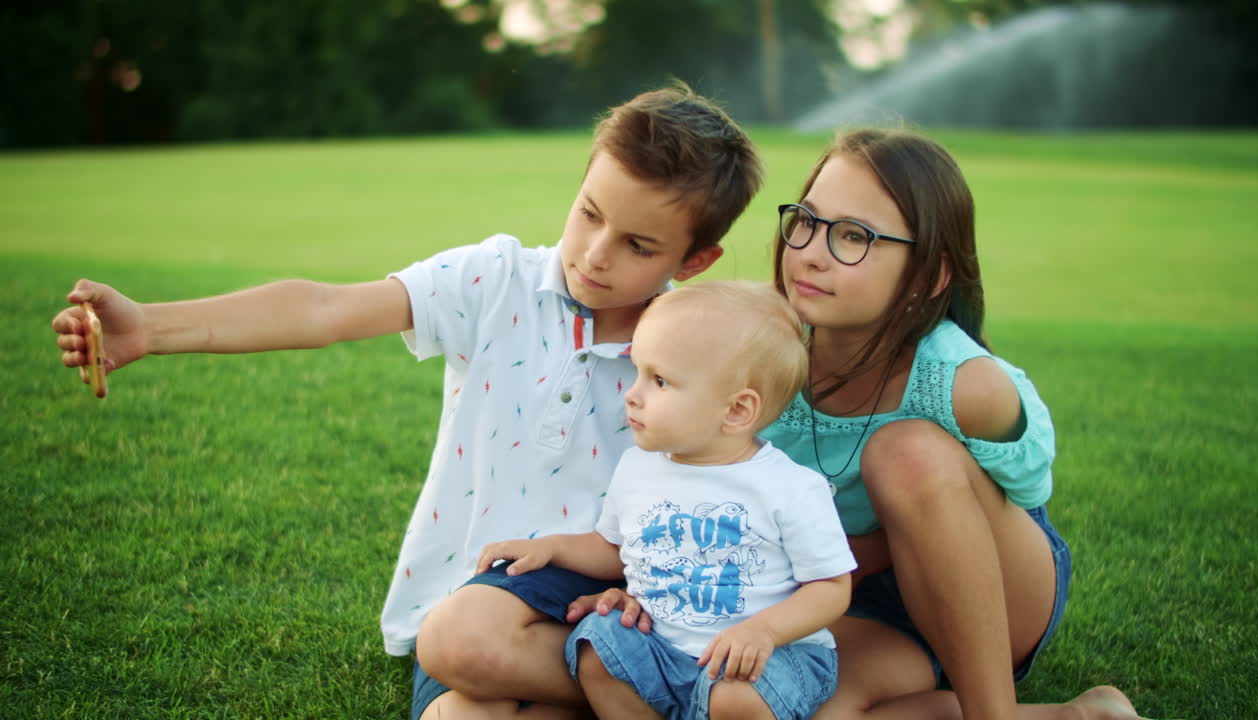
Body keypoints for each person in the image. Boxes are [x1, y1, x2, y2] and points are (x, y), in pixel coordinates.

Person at [50, 84, 763, 720]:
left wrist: (649, 594)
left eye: (638, 244)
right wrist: (150, 326)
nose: (596, 254)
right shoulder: (494, 282)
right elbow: (324, 309)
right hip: (470, 610)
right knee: (464, 687)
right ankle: (657, 694)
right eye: (589, 215)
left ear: (693, 262)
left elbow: (722, 496)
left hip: (608, 610)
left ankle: (646, 683)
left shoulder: (701, 352)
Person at [568, 128, 1150, 720]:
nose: (813, 253)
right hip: (838, 601)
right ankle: (1075, 716)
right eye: (808, 222)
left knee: (905, 455)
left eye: (854, 236)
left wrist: (877, 542)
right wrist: (653, 593)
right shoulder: (758, 351)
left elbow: (1015, 510)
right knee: (788, 707)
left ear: (929, 274)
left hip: (985, 597)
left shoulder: (965, 384)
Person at [475, 281, 856, 720]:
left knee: (734, 699)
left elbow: (831, 588)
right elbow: (615, 550)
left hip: (767, 659)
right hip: (660, 648)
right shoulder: (638, 467)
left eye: (659, 380)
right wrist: (550, 548)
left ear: (735, 411)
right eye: (637, 372)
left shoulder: (790, 487)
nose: (632, 393)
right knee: (596, 648)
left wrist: (764, 631)